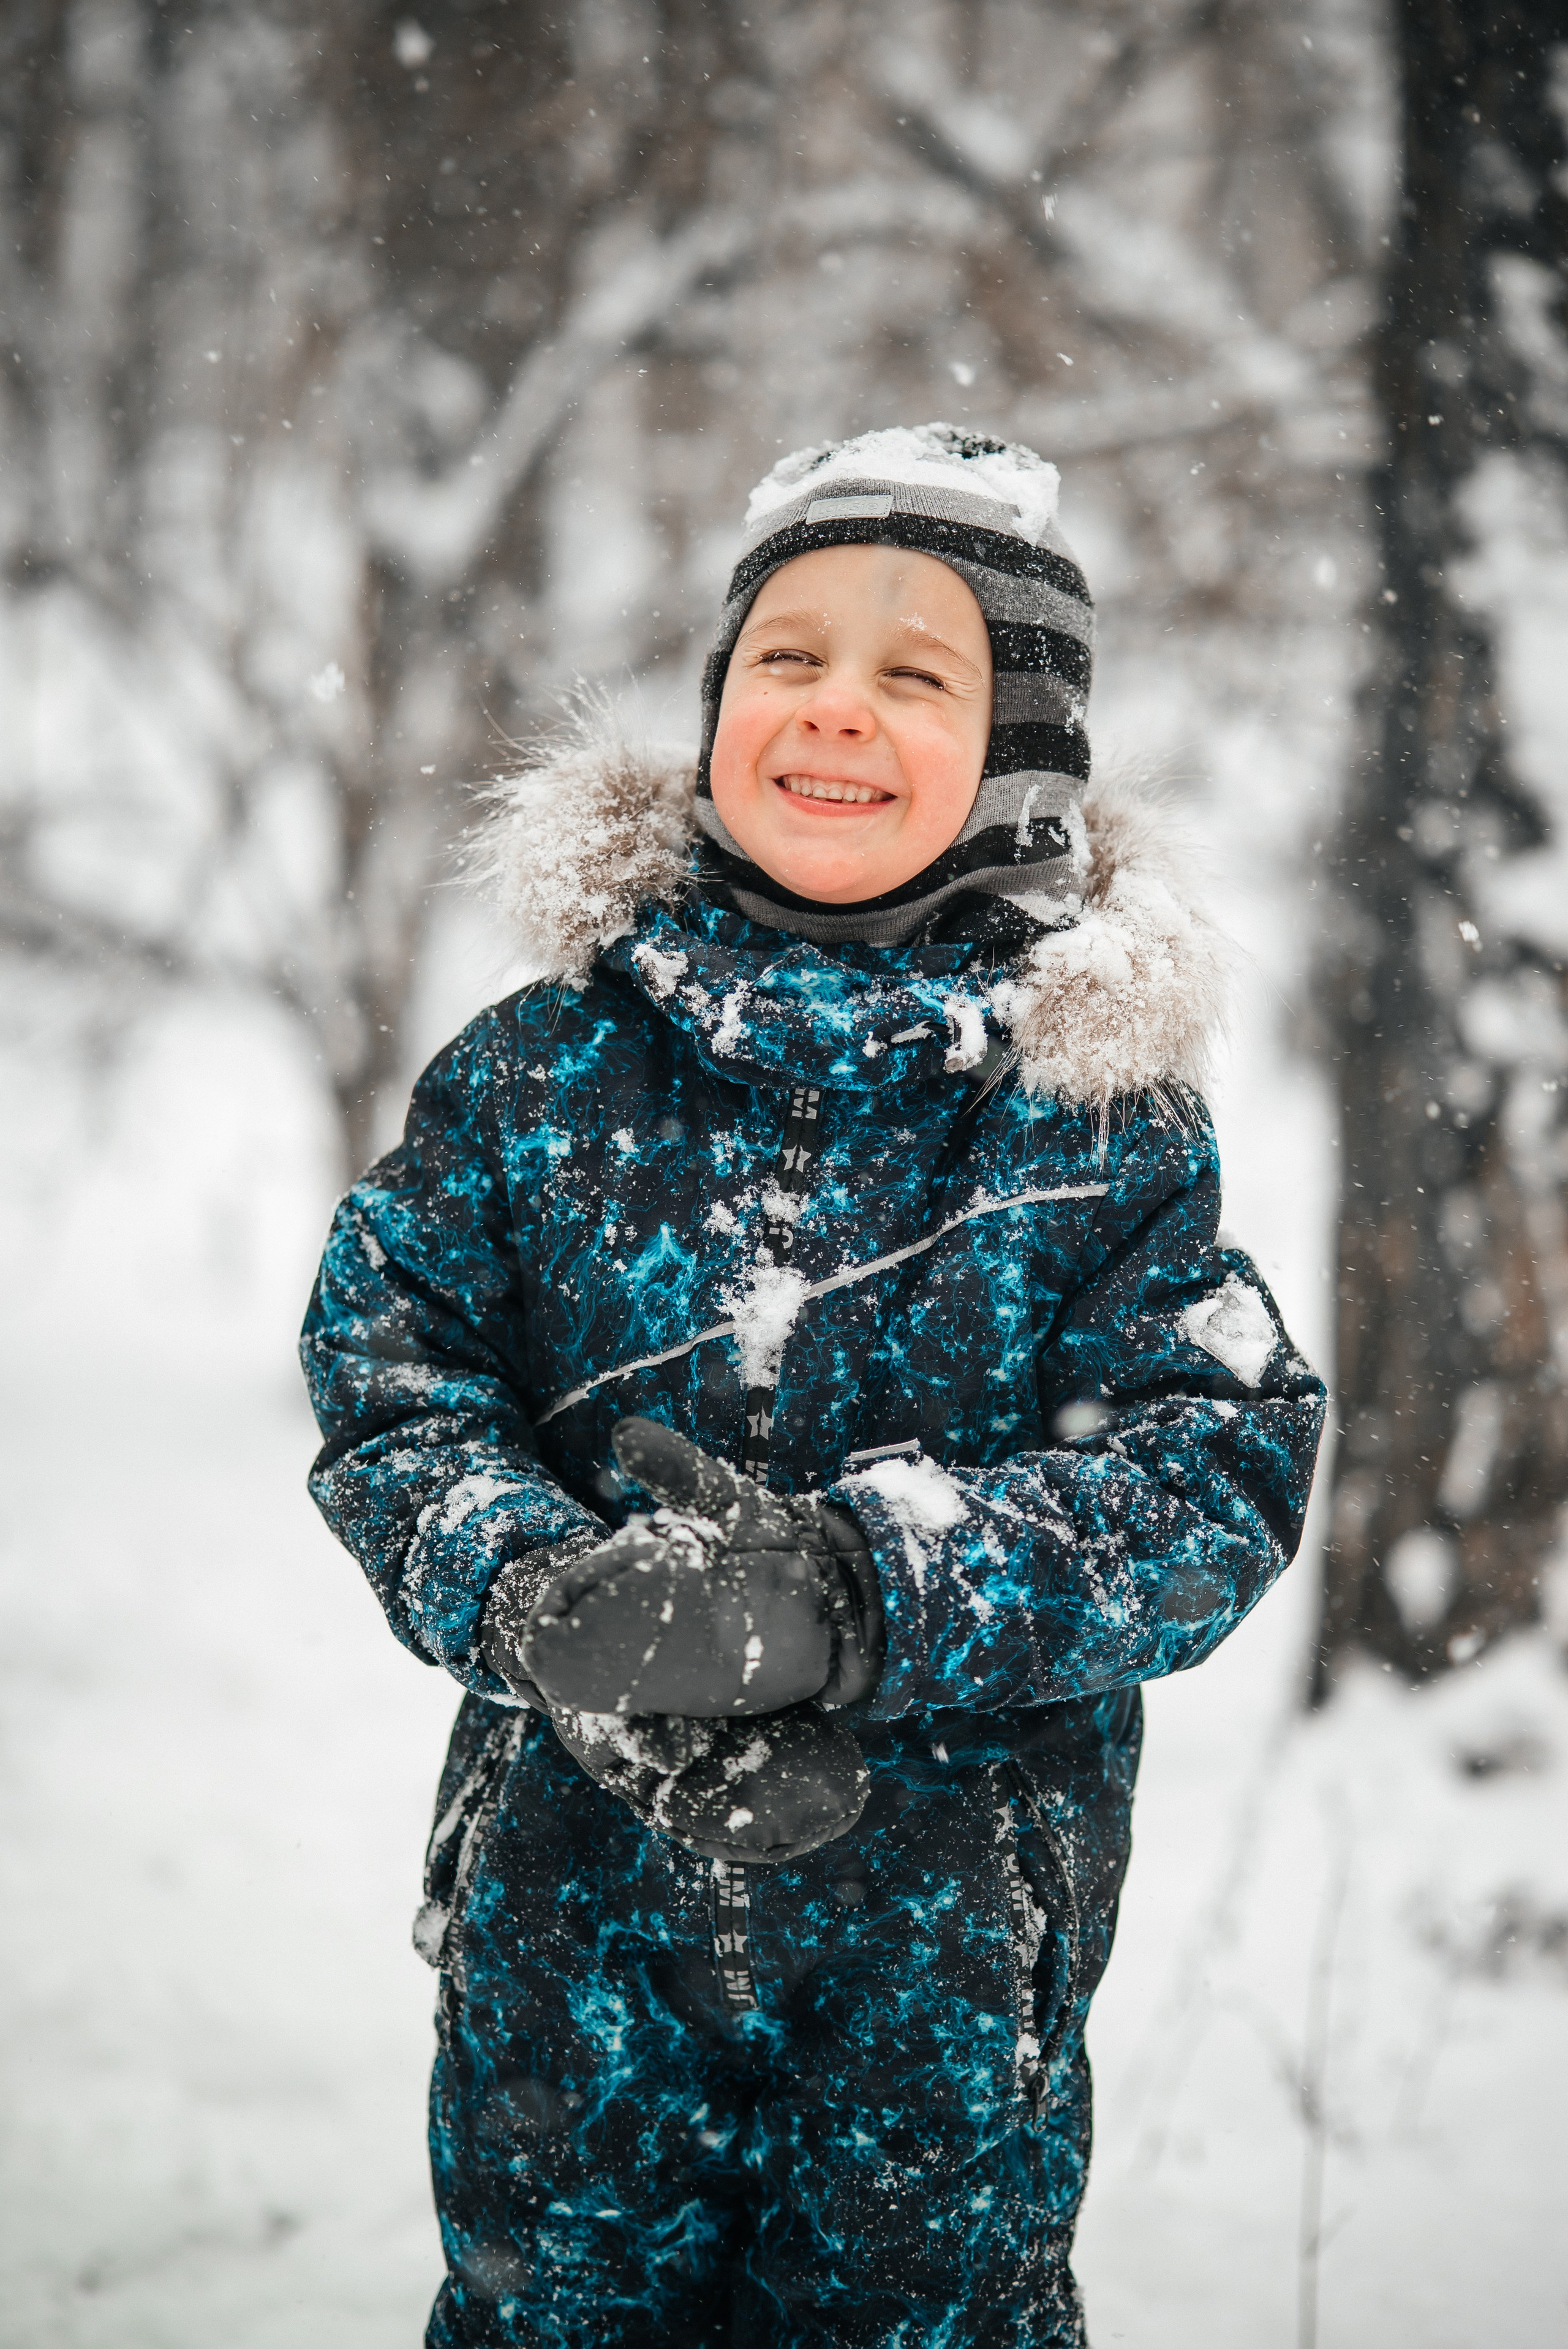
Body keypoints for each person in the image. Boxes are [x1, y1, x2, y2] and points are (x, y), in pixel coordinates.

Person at [301, 422, 1325, 2348]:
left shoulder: (1096, 1130)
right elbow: (391, 1367)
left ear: (1022, 756)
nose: (836, 704)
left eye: (916, 673)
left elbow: (1217, 1468)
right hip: (566, 1950)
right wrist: (531, 1590)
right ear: (718, 709)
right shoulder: (539, 1072)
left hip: (939, 1996)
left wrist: (858, 1590)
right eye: (789, 654)